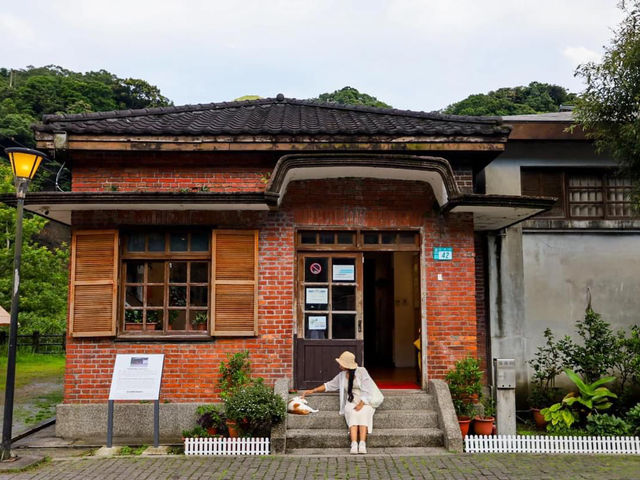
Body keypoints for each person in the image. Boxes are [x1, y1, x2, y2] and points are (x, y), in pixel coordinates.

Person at [301, 351, 383, 455]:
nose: (339, 365)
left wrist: (361, 404)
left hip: (366, 401)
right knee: (353, 413)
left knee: (363, 413)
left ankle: (362, 444)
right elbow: (329, 385)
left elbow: (367, 389)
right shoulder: (342, 375)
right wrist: (313, 390)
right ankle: (354, 444)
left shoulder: (362, 371)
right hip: (351, 402)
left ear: (346, 364)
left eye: (341, 363)